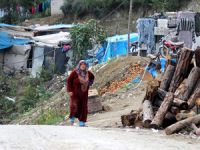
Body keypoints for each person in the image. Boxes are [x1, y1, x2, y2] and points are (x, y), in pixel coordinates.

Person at [67, 60, 95, 127]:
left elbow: (92, 78)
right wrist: (69, 90)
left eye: (84, 65)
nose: (83, 66)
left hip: (84, 94)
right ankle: (72, 121)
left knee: (83, 107)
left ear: (86, 66)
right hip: (75, 94)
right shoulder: (75, 72)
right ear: (79, 65)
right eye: (81, 65)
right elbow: (69, 81)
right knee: (74, 106)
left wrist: (90, 83)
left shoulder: (88, 73)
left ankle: (82, 123)